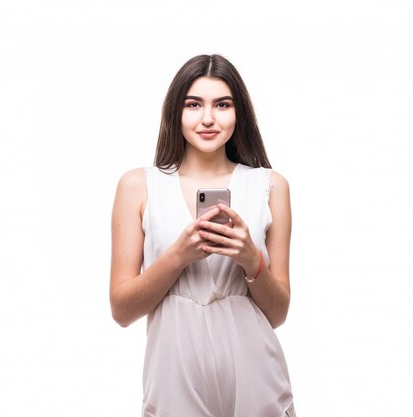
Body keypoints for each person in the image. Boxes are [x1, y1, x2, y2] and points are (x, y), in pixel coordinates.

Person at [110, 54, 296, 417]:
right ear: (174, 112)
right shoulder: (138, 186)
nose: (208, 118)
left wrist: (250, 260)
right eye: (193, 104)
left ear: (238, 112)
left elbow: (278, 314)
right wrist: (178, 255)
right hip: (173, 383)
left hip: (258, 380)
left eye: (222, 105)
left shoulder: (271, 186)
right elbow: (121, 310)